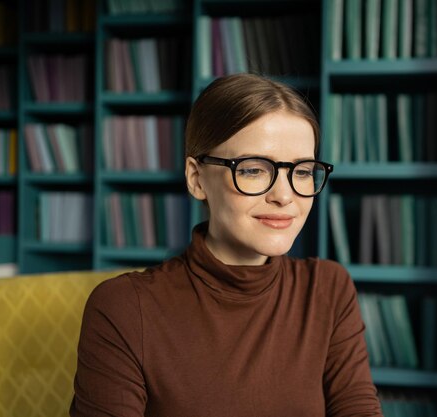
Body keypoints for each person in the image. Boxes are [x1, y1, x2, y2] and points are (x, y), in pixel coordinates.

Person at [70, 73, 383, 416]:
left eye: (303, 171)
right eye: (253, 169)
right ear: (196, 178)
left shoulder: (328, 289)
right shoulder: (124, 308)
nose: (284, 195)